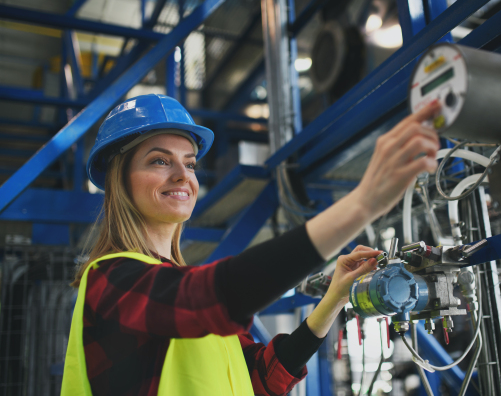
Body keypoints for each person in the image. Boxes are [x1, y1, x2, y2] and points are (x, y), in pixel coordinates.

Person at [61, 94, 440, 396]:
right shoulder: (110, 281)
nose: (182, 175)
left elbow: (261, 378)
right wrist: (362, 204)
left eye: (190, 164)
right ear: (119, 179)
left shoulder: (179, 290)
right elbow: (218, 293)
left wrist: (334, 300)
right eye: (159, 161)